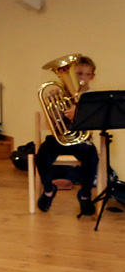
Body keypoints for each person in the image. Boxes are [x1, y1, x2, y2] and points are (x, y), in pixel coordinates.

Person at [36, 55, 98, 216]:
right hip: (61, 138)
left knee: (92, 158)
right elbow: (54, 121)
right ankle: (49, 190)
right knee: (42, 154)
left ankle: (85, 195)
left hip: (82, 141)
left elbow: (95, 121)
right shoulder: (62, 94)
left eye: (86, 74)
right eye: (79, 73)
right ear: (73, 74)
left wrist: (79, 113)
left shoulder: (93, 97)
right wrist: (53, 104)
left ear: (92, 76)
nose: (82, 78)